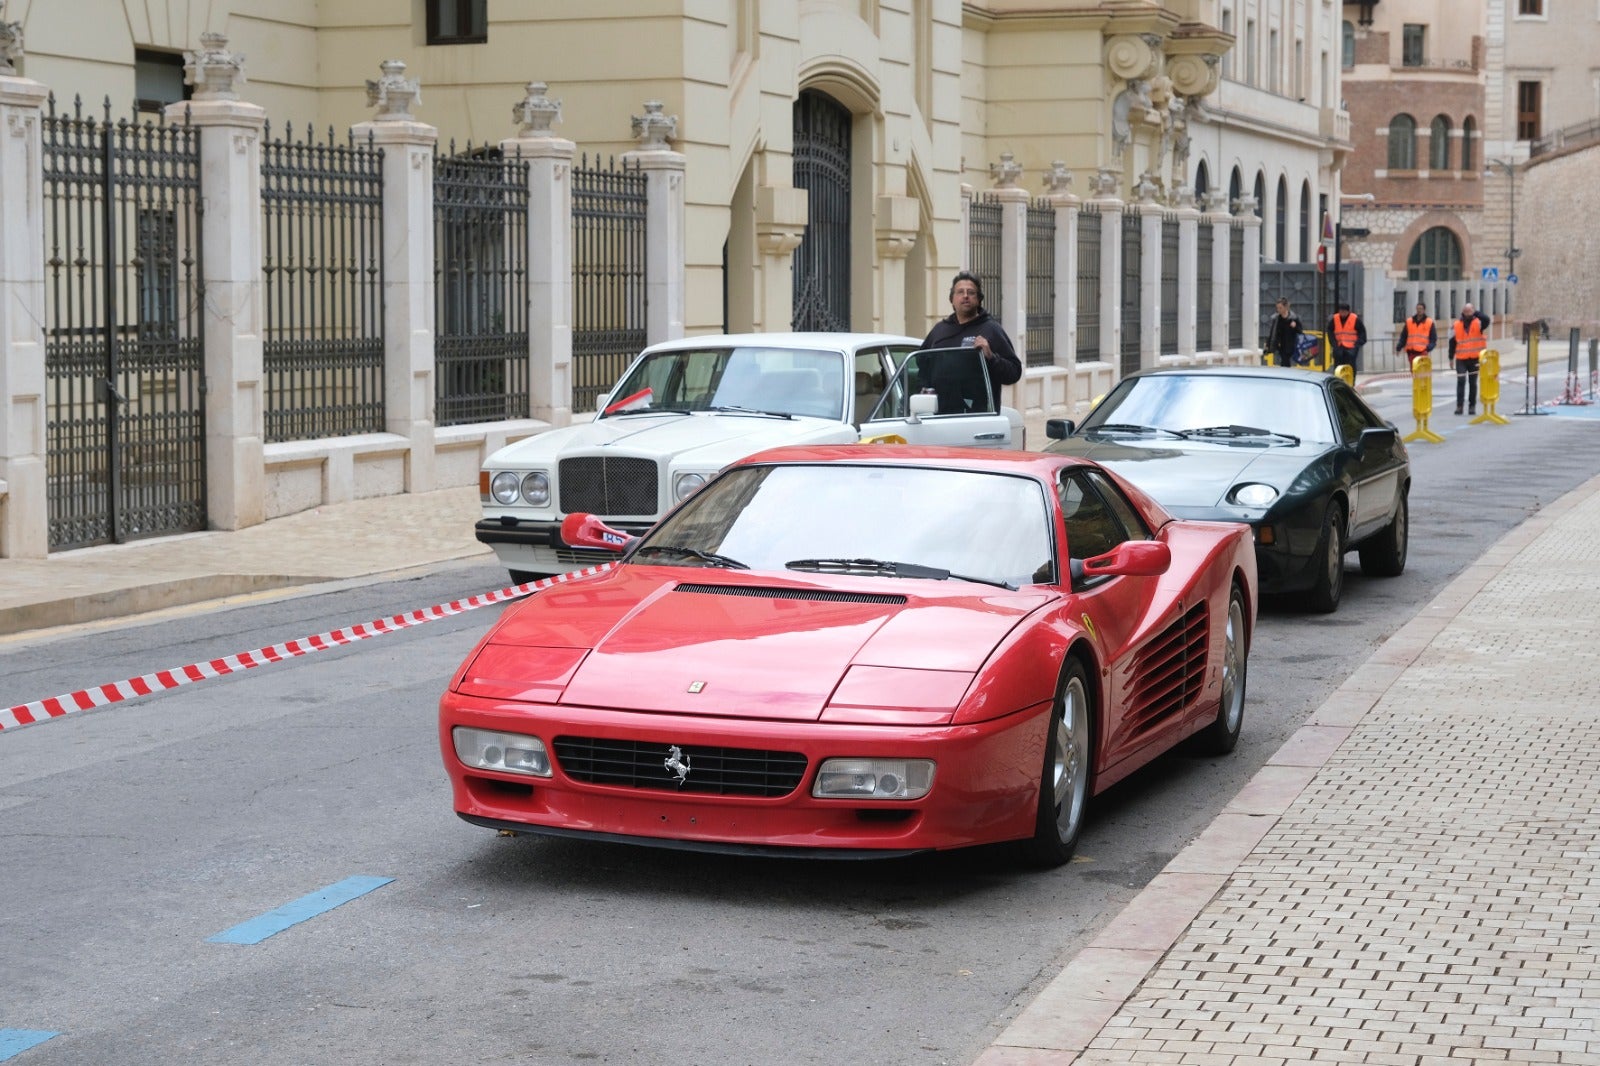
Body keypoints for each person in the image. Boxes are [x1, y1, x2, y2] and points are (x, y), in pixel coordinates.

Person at [921, 271, 1021, 413]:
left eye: (971, 292)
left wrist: (991, 357)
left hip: (978, 417)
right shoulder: (939, 330)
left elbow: (1014, 373)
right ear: (952, 299)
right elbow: (922, 366)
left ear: (979, 299)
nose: (965, 296)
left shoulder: (991, 329)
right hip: (940, 417)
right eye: (960, 292)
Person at [1448, 302, 1491, 415]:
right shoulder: (1456, 325)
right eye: (1466, 311)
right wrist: (1450, 358)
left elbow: (1487, 320)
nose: (1468, 314)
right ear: (1462, 312)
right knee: (1461, 381)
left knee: (1473, 383)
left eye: (1470, 311)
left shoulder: (1479, 323)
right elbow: (1452, 342)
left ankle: (1472, 406)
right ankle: (1459, 406)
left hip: (1475, 359)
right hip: (1461, 359)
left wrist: (1476, 312)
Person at [1326, 302, 1367, 381]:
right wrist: (1334, 344)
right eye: (1341, 311)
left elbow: (1362, 334)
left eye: (1344, 312)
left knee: (1350, 367)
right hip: (1339, 347)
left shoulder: (1355, 319)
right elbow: (1330, 331)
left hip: (1351, 348)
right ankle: (1338, 382)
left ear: (1348, 311)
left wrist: (1356, 345)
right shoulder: (1335, 319)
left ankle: (1350, 382)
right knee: (1338, 367)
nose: (1342, 313)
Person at [1263, 298, 1304, 368]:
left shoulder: (1294, 318)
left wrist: (1295, 326)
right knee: (1284, 362)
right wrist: (1268, 344)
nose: (1278, 310)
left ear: (1286, 307)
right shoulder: (1276, 319)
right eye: (1277, 308)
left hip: (1292, 345)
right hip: (1281, 345)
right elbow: (1272, 332)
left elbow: (1300, 331)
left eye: (1280, 308)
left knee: (1286, 363)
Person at [1396, 302, 1437, 370]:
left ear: (1424, 310)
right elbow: (1403, 336)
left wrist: (1428, 348)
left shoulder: (1429, 322)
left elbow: (1433, 339)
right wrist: (1398, 347)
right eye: (1418, 308)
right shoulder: (1409, 321)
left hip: (1422, 351)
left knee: (1421, 371)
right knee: (1414, 371)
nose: (1419, 310)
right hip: (1411, 352)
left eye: (1421, 309)